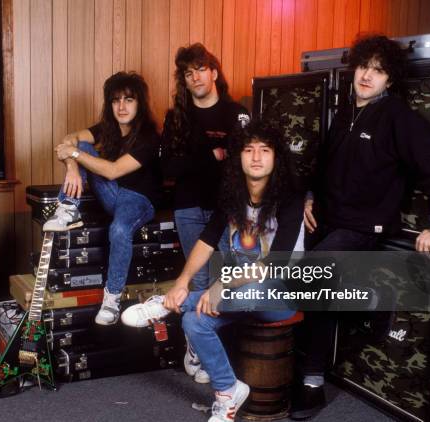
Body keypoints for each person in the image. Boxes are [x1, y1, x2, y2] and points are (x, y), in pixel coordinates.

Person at [293, 35, 430, 420]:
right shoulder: (345, 112)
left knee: (307, 278)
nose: (368, 75)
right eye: (364, 66)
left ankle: (316, 378)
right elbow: (323, 164)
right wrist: (310, 196)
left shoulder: (397, 117)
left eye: (378, 71)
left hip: (366, 226)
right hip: (328, 220)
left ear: (389, 79)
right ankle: (312, 379)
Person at [122, 122, 305, 422]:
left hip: (279, 295)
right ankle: (228, 391)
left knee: (255, 289)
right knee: (194, 323)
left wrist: (221, 285)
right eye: (249, 150)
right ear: (239, 158)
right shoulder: (233, 195)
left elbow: (275, 264)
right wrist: (181, 282)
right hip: (237, 294)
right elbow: (207, 240)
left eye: (265, 150)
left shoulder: (291, 199)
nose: (256, 157)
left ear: (276, 158)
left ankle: (167, 307)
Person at [161, 43, 250, 384]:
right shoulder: (177, 117)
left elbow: (246, 163)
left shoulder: (236, 113)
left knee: (226, 276)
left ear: (214, 72)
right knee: (197, 277)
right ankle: (196, 346)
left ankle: (219, 347)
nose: (195, 76)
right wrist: (211, 157)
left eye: (200, 69)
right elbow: (169, 166)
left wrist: (197, 160)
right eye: (188, 73)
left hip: (227, 207)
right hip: (187, 205)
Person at [49, 71, 160, 326]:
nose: (121, 106)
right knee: (83, 148)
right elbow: (69, 139)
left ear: (139, 103)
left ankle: (112, 299)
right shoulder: (106, 129)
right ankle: (68, 207)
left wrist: (74, 154)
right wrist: (72, 167)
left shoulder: (149, 137)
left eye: (128, 100)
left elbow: (112, 170)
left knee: (119, 229)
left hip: (139, 200)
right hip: (113, 193)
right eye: (115, 100)